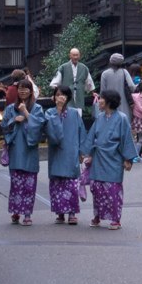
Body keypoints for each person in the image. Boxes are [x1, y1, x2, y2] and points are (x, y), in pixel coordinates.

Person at [82, 90, 137, 229]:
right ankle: (97, 216)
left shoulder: (122, 118)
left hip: (114, 158)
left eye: (101, 99)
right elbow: (91, 136)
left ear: (109, 101)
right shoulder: (99, 117)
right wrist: (86, 153)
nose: (99, 101)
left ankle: (115, 218)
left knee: (112, 190)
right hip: (99, 158)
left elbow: (126, 139)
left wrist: (128, 159)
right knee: (97, 188)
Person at [1, 78, 45, 226]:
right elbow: (4, 127)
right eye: (20, 88)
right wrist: (14, 120)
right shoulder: (9, 109)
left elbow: (40, 127)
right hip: (16, 151)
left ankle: (27, 214)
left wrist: (26, 113)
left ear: (31, 91)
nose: (23, 91)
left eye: (26, 88)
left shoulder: (37, 108)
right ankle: (15, 211)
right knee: (16, 184)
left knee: (29, 185)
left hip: (30, 151)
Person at [44, 85, 87, 225]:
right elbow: (53, 135)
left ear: (68, 97)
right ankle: (60, 213)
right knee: (57, 185)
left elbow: (82, 133)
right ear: (53, 97)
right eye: (57, 95)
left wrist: (82, 151)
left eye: (63, 95)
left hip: (71, 152)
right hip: (56, 153)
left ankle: (72, 213)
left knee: (71, 185)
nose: (60, 97)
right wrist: (57, 111)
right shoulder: (49, 113)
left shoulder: (74, 113)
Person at [99, 53, 135, 122]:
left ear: (110, 61)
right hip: (124, 106)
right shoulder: (124, 72)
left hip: (109, 105)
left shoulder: (105, 74)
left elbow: (102, 91)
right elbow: (131, 86)